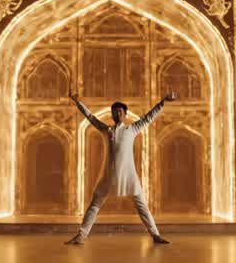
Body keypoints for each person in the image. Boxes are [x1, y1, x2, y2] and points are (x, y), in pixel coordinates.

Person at [65, 89, 176, 245]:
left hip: (128, 174)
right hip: (109, 174)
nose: (117, 114)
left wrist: (163, 101)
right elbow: (90, 117)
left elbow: (149, 117)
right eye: (114, 112)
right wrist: (77, 102)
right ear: (112, 115)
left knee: (142, 205)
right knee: (95, 204)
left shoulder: (132, 129)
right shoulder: (107, 130)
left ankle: (156, 235)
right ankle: (81, 236)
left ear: (125, 114)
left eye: (119, 112)